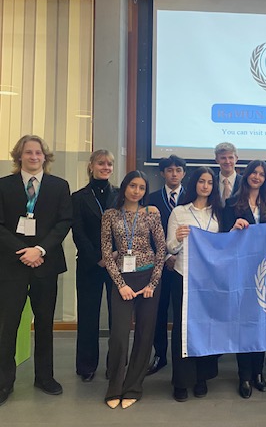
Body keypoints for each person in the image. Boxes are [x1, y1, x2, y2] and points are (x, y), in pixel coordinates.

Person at [0, 135, 72, 406]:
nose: (33, 157)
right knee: (7, 325)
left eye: (38, 153)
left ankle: (44, 377)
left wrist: (40, 250)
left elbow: (64, 222)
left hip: (46, 264)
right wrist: (24, 252)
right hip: (11, 265)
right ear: (19, 156)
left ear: (45, 157)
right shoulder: (3, 186)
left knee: (44, 323)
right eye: (28, 152)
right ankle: (4, 382)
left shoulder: (59, 186)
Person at [101, 171, 166, 409]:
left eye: (141, 187)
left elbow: (161, 249)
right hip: (122, 280)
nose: (136, 191)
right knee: (119, 336)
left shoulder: (151, 213)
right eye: (132, 186)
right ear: (124, 187)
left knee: (144, 335)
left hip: (148, 278)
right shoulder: (110, 215)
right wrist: (120, 285)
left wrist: (153, 284)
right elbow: (106, 253)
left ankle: (133, 387)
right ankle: (115, 387)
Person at [222, 160, 266, 399]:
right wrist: (233, 228)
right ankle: (244, 375)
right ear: (246, 175)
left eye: (261, 174)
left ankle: (258, 373)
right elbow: (223, 239)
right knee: (244, 324)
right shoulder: (231, 204)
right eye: (253, 173)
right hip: (242, 272)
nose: (257, 177)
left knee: (261, 323)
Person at [166, 167, 224, 402]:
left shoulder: (219, 213)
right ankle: (181, 381)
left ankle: (202, 378)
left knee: (206, 327)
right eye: (201, 181)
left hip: (210, 280)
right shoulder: (179, 212)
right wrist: (179, 239)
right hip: (184, 276)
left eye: (209, 182)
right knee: (183, 328)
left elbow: (225, 244)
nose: (205, 186)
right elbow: (170, 247)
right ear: (194, 184)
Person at [71, 149, 119, 382]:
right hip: (89, 264)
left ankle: (115, 365)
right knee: (88, 316)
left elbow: (126, 228)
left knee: (117, 318)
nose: (105, 168)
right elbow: (78, 232)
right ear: (91, 166)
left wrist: (112, 255)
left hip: (117, 263)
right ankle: (86, 366)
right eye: (101, 163)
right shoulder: (78, 197)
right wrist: (97, 257)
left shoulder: (120, 195)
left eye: (109, 164)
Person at [146, 155, 186, 375]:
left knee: (183, 312)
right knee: (159, 311)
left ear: (184, 173)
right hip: (159, 265)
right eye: (169, 170)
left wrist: (177, 255)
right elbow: (147, 234)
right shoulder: (151, 199)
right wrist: (166, 256)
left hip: (186, 265)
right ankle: (160, 354)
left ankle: (185, 355)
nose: (174, 174)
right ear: (162, 173)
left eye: (178, 170)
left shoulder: (192, 197)